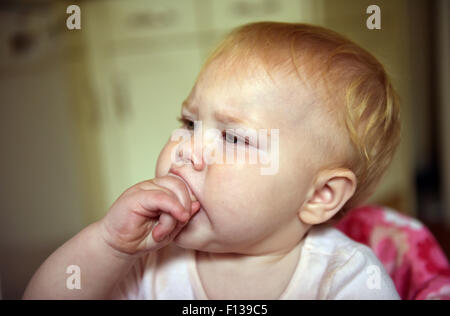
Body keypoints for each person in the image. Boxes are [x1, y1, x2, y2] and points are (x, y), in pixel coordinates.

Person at [23, 22, 401, 299]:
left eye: (233, 137)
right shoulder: (149, 258)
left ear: (319, 195)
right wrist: (109, 244)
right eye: (189, 122)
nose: (185, 147)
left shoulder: (343, 277)